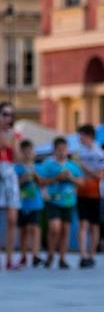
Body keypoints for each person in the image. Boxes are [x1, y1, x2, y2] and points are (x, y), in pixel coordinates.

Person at [37, 136, 84, 269]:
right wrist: (56, 178)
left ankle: (62, 258)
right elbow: (40, 181)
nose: (62, 152)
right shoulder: (48, 164)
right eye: (59, 150)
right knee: (55, 228)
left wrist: (71, 178)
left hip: (69, 202)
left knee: (65, 230)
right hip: (53, 201)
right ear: (54, 150)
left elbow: (81, 183)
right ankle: (51, 253)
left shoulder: (73, 166)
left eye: (64, 149)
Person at [75, 123, 104, 268]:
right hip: (81, 192)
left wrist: (84, 168)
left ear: (88, 136)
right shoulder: (79, 153)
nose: (80, 139)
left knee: (94, 225)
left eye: (81, 135)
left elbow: (101, 175)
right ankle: (82, 254)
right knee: (83, 223)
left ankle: (92, 254)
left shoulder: (99, 153)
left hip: (96, 193)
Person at [15, 139, 43, 267]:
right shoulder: (17, 168)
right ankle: (23, 255)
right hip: (21, 203)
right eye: (25, 152)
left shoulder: (38, 167)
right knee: (23, 230)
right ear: (21, 153)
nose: (28, 154)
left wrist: (36, 175)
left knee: (35, 228)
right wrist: (22, 179)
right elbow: (13, 186)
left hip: (35, 203)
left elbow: (43, 183)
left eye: (30, 152)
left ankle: (36, 255)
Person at [0, 101, 20, 271]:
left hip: (9, 172)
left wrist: (12, 141)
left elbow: (18, 157)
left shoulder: (14, 134)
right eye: (5, 114)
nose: (8, 118)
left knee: (12, 219)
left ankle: (9, 259)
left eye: (11, 115)